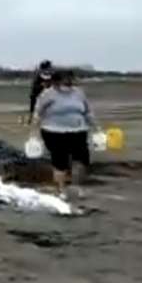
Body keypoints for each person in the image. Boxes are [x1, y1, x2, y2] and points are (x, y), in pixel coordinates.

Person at [29, 69, 99, 200]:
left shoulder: (79, 93)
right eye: (65, 79)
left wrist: (97, 128)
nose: (69, 82)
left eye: (70, 79)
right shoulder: (48, 94)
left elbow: (88, 111)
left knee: (81, 160)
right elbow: (38, 113)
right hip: (54, 132)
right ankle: (61, 190)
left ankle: (77, 186)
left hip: (78, 130)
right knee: (60, 161)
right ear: (56, 81)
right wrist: (34, 134)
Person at [27, 60, 54, 124]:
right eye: (49, 67)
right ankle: (31, 118)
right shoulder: (40, 75)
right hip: (37, 93)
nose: (50, 68)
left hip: (43, 94)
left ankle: (33, 119)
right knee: (35, 107)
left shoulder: (48, 75)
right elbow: (36, 86)